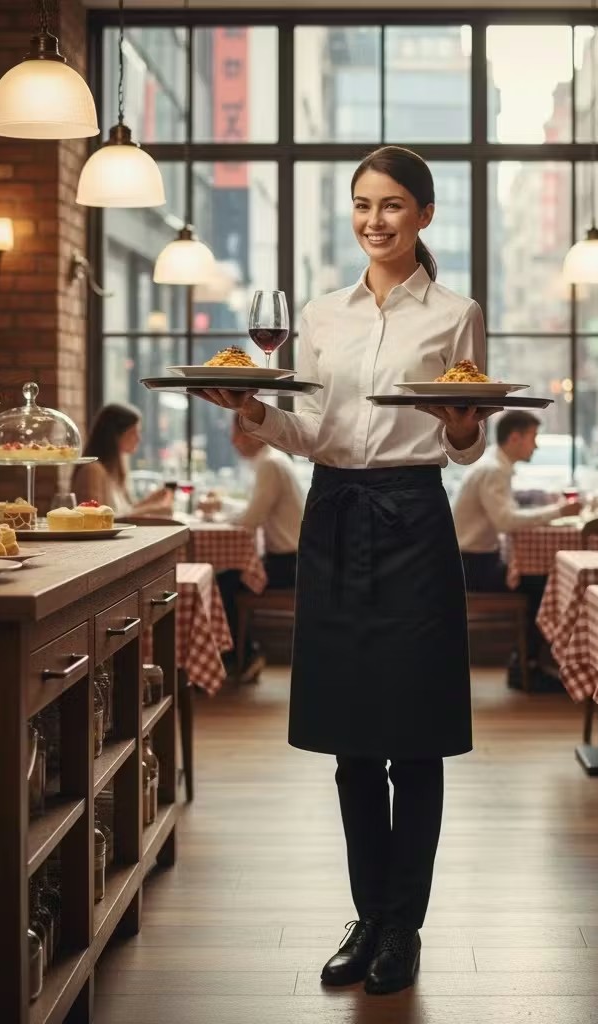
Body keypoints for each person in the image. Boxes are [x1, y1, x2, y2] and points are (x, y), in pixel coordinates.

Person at [193, 145, 489, 996]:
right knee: (352, 743)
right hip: (334, 515)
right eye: (363, 204)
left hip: (413, 517)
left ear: (425, 215)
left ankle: (405, 925)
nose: (375, 220)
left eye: (393, 205)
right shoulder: (321, 315)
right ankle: (367, 916)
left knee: (415, 741)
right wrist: (253, 409)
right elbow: (307, 428)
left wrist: (467, 428)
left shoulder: (457, 313)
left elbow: (458, 441)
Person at [453, 410, 580, 687]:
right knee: (545, 585)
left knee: (542, 581)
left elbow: (507, 508)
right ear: (515, 438)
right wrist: (559, 511)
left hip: (474, 560)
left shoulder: (495, 465)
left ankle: (527, 663)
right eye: (533, 437)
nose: (536, 445)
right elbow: (506, 521)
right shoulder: (493, 470)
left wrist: (546, 502)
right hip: (471, 566)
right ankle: (527, 668)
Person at [201, 413, 305, 682]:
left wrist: (218, 515)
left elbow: (251, 520)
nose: (234, 441)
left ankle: (242, 657)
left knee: (223, 583)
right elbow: (254, 511)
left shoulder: (269, 464)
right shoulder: (273, 461)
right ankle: (239, 655)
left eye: (238, 434)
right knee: (227, 579)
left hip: (290, 564)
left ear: (254, 434)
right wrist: (223, 508)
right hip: (293, 558)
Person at [71, 404, 173, 517]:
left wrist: (150, 501)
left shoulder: (116, 470)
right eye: (133, 432)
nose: (139, 438)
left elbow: (123, 512)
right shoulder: (93, 470)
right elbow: (96, 518)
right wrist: (150, 508)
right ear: (115, 435)